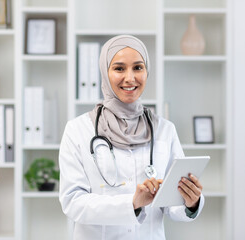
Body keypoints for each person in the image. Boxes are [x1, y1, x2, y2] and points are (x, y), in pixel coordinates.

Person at [59, 35, 204, 240]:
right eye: (119, 68)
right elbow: (73, 202)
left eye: (138, 67)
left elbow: (172, 206)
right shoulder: (78, 130)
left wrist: (191, 202)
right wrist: (132, 203)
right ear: (105, 72)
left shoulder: (164, 130)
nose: (130, 78)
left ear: (147, 71)